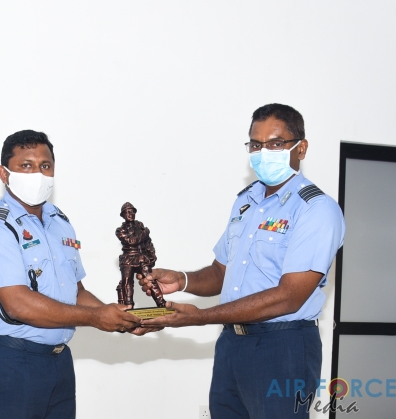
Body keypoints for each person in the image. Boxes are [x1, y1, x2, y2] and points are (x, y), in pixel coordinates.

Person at [139, 104, 346, 419]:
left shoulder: (316, 210)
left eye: (276, 143)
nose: (264, 153)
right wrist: (182, 280)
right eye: (256, 144)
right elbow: (222, 271)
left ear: (300, 148)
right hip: (232, 345)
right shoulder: (246, 201)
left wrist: (200, 317)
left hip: (282, 347)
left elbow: (290, 296)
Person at [0, 130, 145, 419]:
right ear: (4, 173)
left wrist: (120, 318)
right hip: (11, 364)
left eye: (45, 165)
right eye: (26, 165)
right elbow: (18, 304)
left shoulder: (58, 221)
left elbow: (76, 292)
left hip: (58, 363)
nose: (38, 174)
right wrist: (96, 318)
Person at [116, 202, 166, 307]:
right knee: (126, 282)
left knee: (150, 279)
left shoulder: (140, 227)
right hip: (127, 258)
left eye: (132, 212)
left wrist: (151, 257)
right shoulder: (120, 230)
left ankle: (161, 303)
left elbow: (148, 243)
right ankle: (128, 306)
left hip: (141, 257)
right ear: (123, 215)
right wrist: (145, 233)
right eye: (127, 212)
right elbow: (131, 241)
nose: (130, 214)